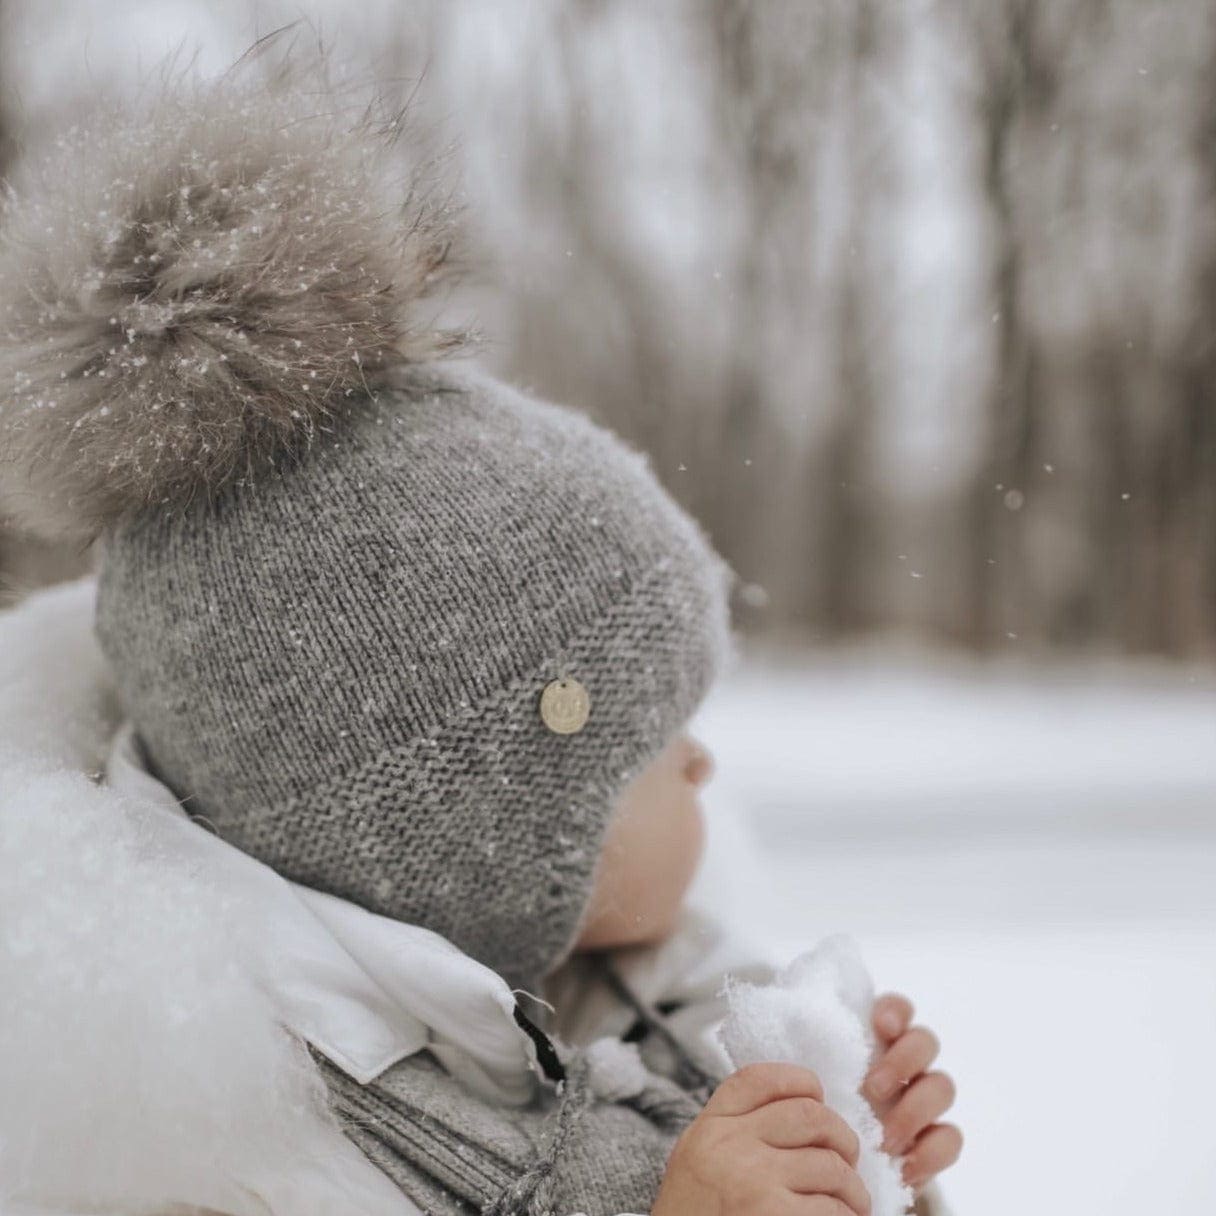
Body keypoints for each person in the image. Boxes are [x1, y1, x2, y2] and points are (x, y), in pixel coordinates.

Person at [0, 58, 961, 1216]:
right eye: (653, 737)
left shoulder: (643, 1001)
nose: (702, 763)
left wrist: (861, 1163)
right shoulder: (232, 1163)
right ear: (487, 835)